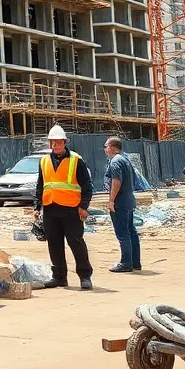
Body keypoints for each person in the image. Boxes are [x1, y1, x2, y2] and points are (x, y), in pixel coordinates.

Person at [35, 124, 94, 290]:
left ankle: (85, 276)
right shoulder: (44, 161)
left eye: (58, 142)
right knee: (54, 244)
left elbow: (87, 185)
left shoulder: (76, 160)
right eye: (53, 142)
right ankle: (59, 277)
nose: (56, 145)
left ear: (64, 142)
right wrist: (37, 206)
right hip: (50, 209)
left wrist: (84, 206)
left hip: (70, 209)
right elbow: (40, 186)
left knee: (76, 242)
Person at [103, 136, 140, 273]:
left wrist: (111, 200)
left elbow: (116, 181)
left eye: (106, 146)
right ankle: (135, 262)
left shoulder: (115, 161)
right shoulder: (125, 159)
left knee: (123, 233)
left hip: (120, 202)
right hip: (129, 200)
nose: (105, 149)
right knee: (131, 232)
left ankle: (126, 263)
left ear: (112, 147)